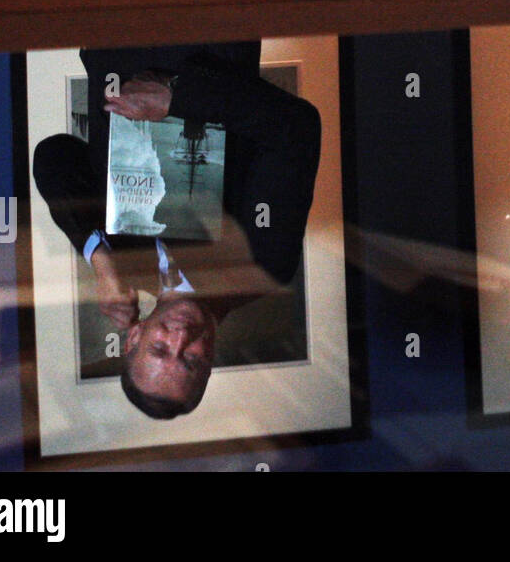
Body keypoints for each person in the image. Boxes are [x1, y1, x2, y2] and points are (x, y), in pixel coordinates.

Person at [32, 49, 321, 418]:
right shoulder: (263, 267)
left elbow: (54, 156)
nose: (180, 339)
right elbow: (296, 127)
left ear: (134, 337)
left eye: (159, 349)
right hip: (209, 26)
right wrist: (178, 99)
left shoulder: (121, 260)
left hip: (109, 28)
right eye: (189, 361)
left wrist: (100, 261)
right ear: (210, 360)